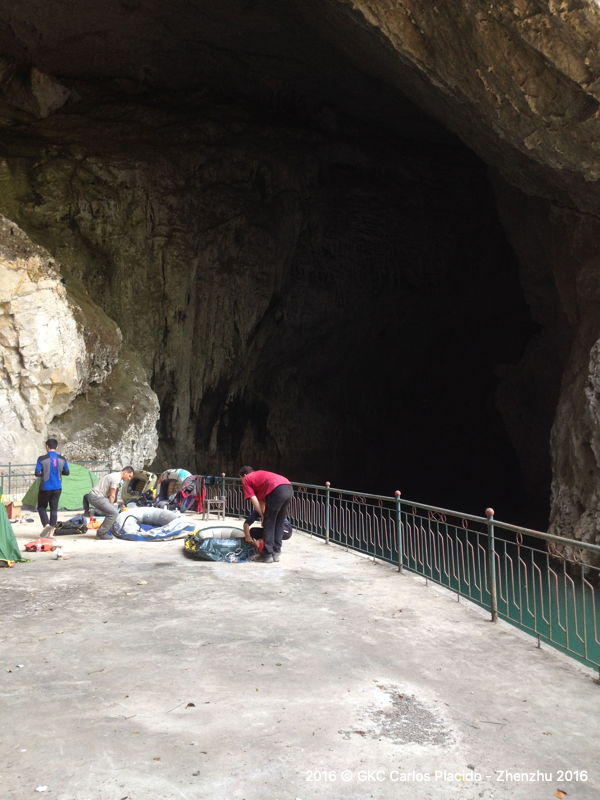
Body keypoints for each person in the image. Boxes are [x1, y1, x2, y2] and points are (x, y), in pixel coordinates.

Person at [239, 466, 293, 563]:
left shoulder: (246, 479)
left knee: (269, 522)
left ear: (244, 475)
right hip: (288, 487)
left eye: (241, 478)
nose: (241, 481)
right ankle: (276, 552)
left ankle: (267, 554)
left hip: (277, 490)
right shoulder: (259, 476)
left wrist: (263, 515)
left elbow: (253, 499)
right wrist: (263, 515)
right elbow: (261, 501)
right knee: (279, 522)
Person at [83, 467, 134, 540]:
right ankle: (101, 534)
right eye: (129, 476)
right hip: (97, 497)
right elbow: (112, 496)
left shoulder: (115, 476)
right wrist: (112, 507)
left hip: (94, 496)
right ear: (125, 473)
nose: (129, 479)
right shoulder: (116, 479)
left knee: (111, 511)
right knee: (114, 513)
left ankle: (96, 516)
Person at [34, 438, 69, 536]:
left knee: (41, 507)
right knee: (54, 509)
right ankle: (51, 532)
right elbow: (67, 472)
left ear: (47, 447)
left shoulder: (41, 459)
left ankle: (46, 525)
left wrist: (44, 473)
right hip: (57, 487)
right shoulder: (62, 459)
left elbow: (37, 473)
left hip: (45, 487)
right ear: (56, 447)